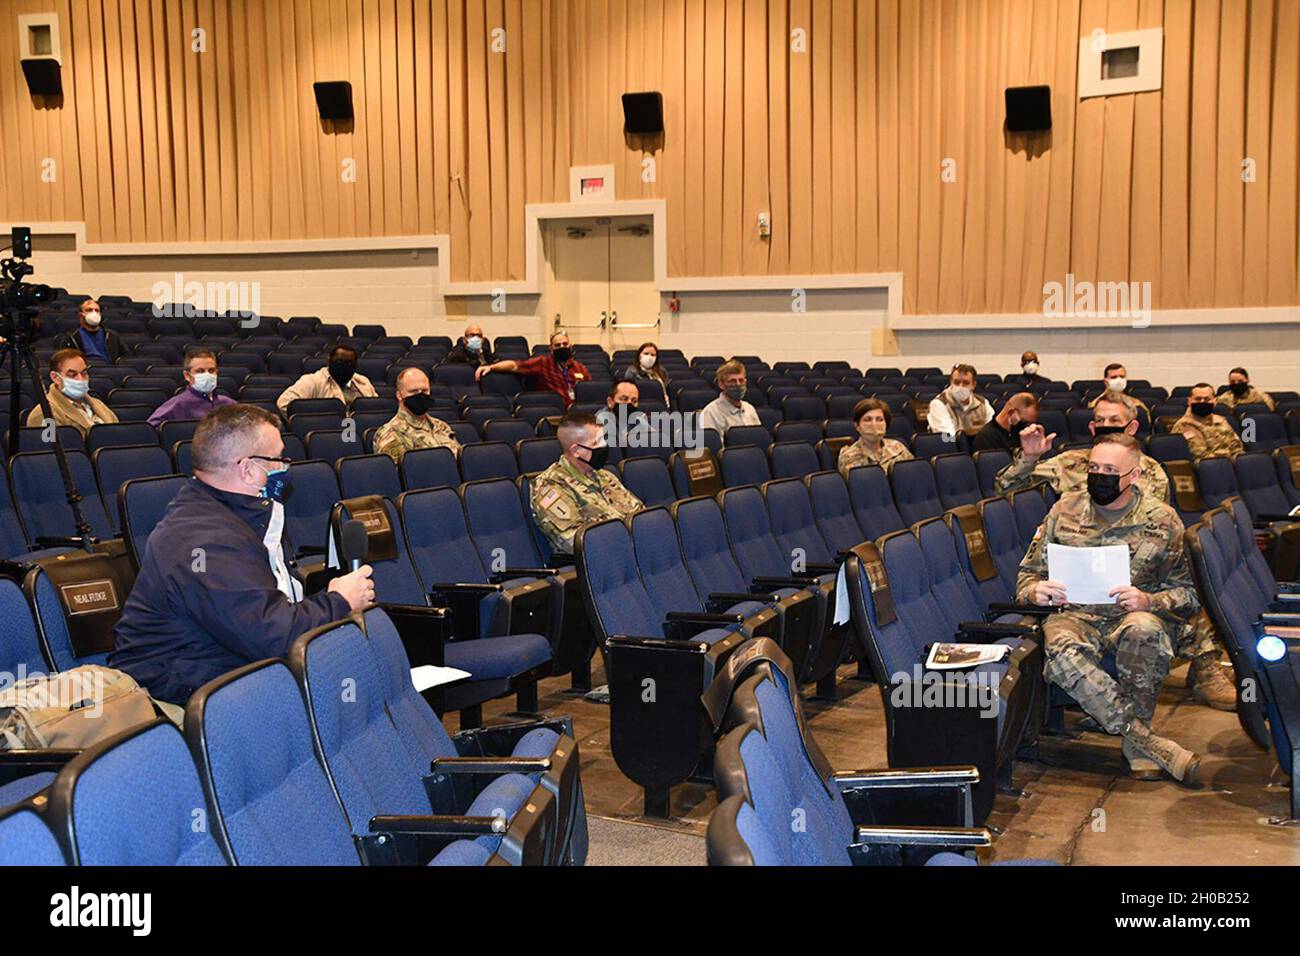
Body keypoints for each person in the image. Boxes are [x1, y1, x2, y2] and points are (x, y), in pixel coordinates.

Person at [110, 404, 375, 704]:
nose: (286, 467)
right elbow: (273, 637)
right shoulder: (205, 539)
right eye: (279, 459)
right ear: (248, 469)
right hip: (178, 700)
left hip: (219, 675)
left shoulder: (231, 514)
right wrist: (338, 601)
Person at [1017, 434, 1201, 783]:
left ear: (1133, 475)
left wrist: (1149, 600)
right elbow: (1027, 576)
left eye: (1110, 470)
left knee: (1144, 629)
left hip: (1130, 614)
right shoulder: (1063, 509)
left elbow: (1190, 594)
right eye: (1094, 468)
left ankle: (1137, 741)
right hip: (1072, 615)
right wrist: (1037, 591)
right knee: (1060, 648)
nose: (1099, 476)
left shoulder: (1163, 520)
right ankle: (1143, 740)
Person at [994, 390, 1168, 502]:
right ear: (1092, 428)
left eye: (1114, 420)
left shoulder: (1151, 471)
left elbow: (1159, 524)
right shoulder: (1068, 462)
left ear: (1131, 428)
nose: (1106, 425)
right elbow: (1005, 490)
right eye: (1100, 420)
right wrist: (1029, 458)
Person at [529, 411, 643, 557]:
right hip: (600, 564)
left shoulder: (605, 477)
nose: (604, 446)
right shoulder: (549, 487)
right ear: (576, 450)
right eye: (597, 442)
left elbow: (640, 516)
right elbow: (576, 542)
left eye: (604, 439)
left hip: (634, 553)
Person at [475, 330, 590, 408]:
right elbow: (514, 365)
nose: (562, 347)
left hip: (578, 411)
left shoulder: (580, 368)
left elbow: (589, 391)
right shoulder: (542, 363)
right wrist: (491, 367)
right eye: (558, 345)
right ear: (551, 349)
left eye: (565, 344)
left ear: (570, 346)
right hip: (554, 410)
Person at [372, 367, 460, 464]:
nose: (420, 395)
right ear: (399, 395)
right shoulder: (390, 433)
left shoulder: (442, 426)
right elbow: (404, 474)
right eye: (413, 391)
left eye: (424, 390)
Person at [25, 348, 118, 437]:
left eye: (84, 373)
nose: (80, 379)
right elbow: (49, 449)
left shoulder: (98, 404)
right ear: (55, 378)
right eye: (72, 375)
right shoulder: (44, 413)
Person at [276, 345, 377, 415]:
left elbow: (376, 409)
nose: (344, 367)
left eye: (350, 364)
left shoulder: (363, 382)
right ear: (329, 362)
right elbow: (284, 403)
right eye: (339, 362)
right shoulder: (312, 381)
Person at [147, 348, 236, 426]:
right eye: (200, 371)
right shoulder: (177, 405)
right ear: (187, 376)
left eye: (211, 370)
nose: (207, 375)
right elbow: (149, 428)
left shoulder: (229, 404)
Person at [837, 398, 913, 478]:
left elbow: (913, 476)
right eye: (867, 420)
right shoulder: (848, 457)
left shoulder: (898, 448)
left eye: (879, 420)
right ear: (857, 426)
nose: (874, 424)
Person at [1169, 383, 1244, 462]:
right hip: (1207, 469)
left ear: (1215, 401)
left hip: (1230, 465)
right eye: (1198, 399)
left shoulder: (1221, 420)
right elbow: (1202, 457)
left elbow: (1237, 447)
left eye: (1207, 399)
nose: (1202, 402)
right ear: (1189, 401)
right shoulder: (1183, 426)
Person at [927, 364, 993, 438]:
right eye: (956, 382)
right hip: (950, 448)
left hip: (978, 446)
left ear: (974, 385)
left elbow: (992, 433)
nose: (960, 387)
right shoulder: (939, 404)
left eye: (966, 383)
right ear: (951, 382)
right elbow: (948, 438)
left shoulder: (983, 403)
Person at [698, 360, 761, 437]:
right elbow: (714, 446)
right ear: (721, 384)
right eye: (732, 381)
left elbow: (759, 438)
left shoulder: (749, 408)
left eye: (741, 380)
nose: (738, 384)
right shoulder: (711, 412)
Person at [52, 299, 125, 363]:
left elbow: (125, 357)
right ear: (81, 315)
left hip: (108, 370)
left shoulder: (112, 335)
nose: (94, 313)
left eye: (97, 310)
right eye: (89, 310)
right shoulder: (71, 338)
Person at [972, 392, 1040, 453]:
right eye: (1025, 421)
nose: (1028, 427)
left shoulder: (1018, 432)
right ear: (1011, 412)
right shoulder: (986, 437)